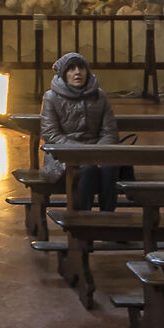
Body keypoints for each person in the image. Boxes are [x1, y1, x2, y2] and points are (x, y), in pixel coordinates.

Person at [40, 51, 124, 210]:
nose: (77, 72)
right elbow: (51, 134)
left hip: (97, 153)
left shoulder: (99, 96)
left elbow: (109, 132)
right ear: (64, 74)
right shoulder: (51, 97)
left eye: (81, 68)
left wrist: (97, 153)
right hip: (63, 156)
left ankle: (107, 218)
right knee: (87, 169)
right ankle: (82, 218)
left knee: (109, 166)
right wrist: (83, 153)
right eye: (71, 69)